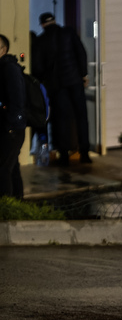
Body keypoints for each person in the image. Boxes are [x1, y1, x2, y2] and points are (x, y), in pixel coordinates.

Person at [32, 12, 91, 166]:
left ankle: (63, 155)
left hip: (57, 85)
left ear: (43, 24)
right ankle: (84, 153)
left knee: (61, 119)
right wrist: (83, 74)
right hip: (75, 81)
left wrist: (44, 81)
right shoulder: (69, 32)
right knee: (81, 117)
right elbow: (81, 53)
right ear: (55, 21)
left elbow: (37, 66)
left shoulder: (40, 40)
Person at [0, 34, 26, 198]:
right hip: (7, 127)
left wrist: (10, 125)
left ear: (3, 49)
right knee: (12, 168)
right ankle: (18, 205)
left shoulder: (10, 68)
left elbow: (18, 100)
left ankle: (6, 210)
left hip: (11, 130)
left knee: (2, 170)